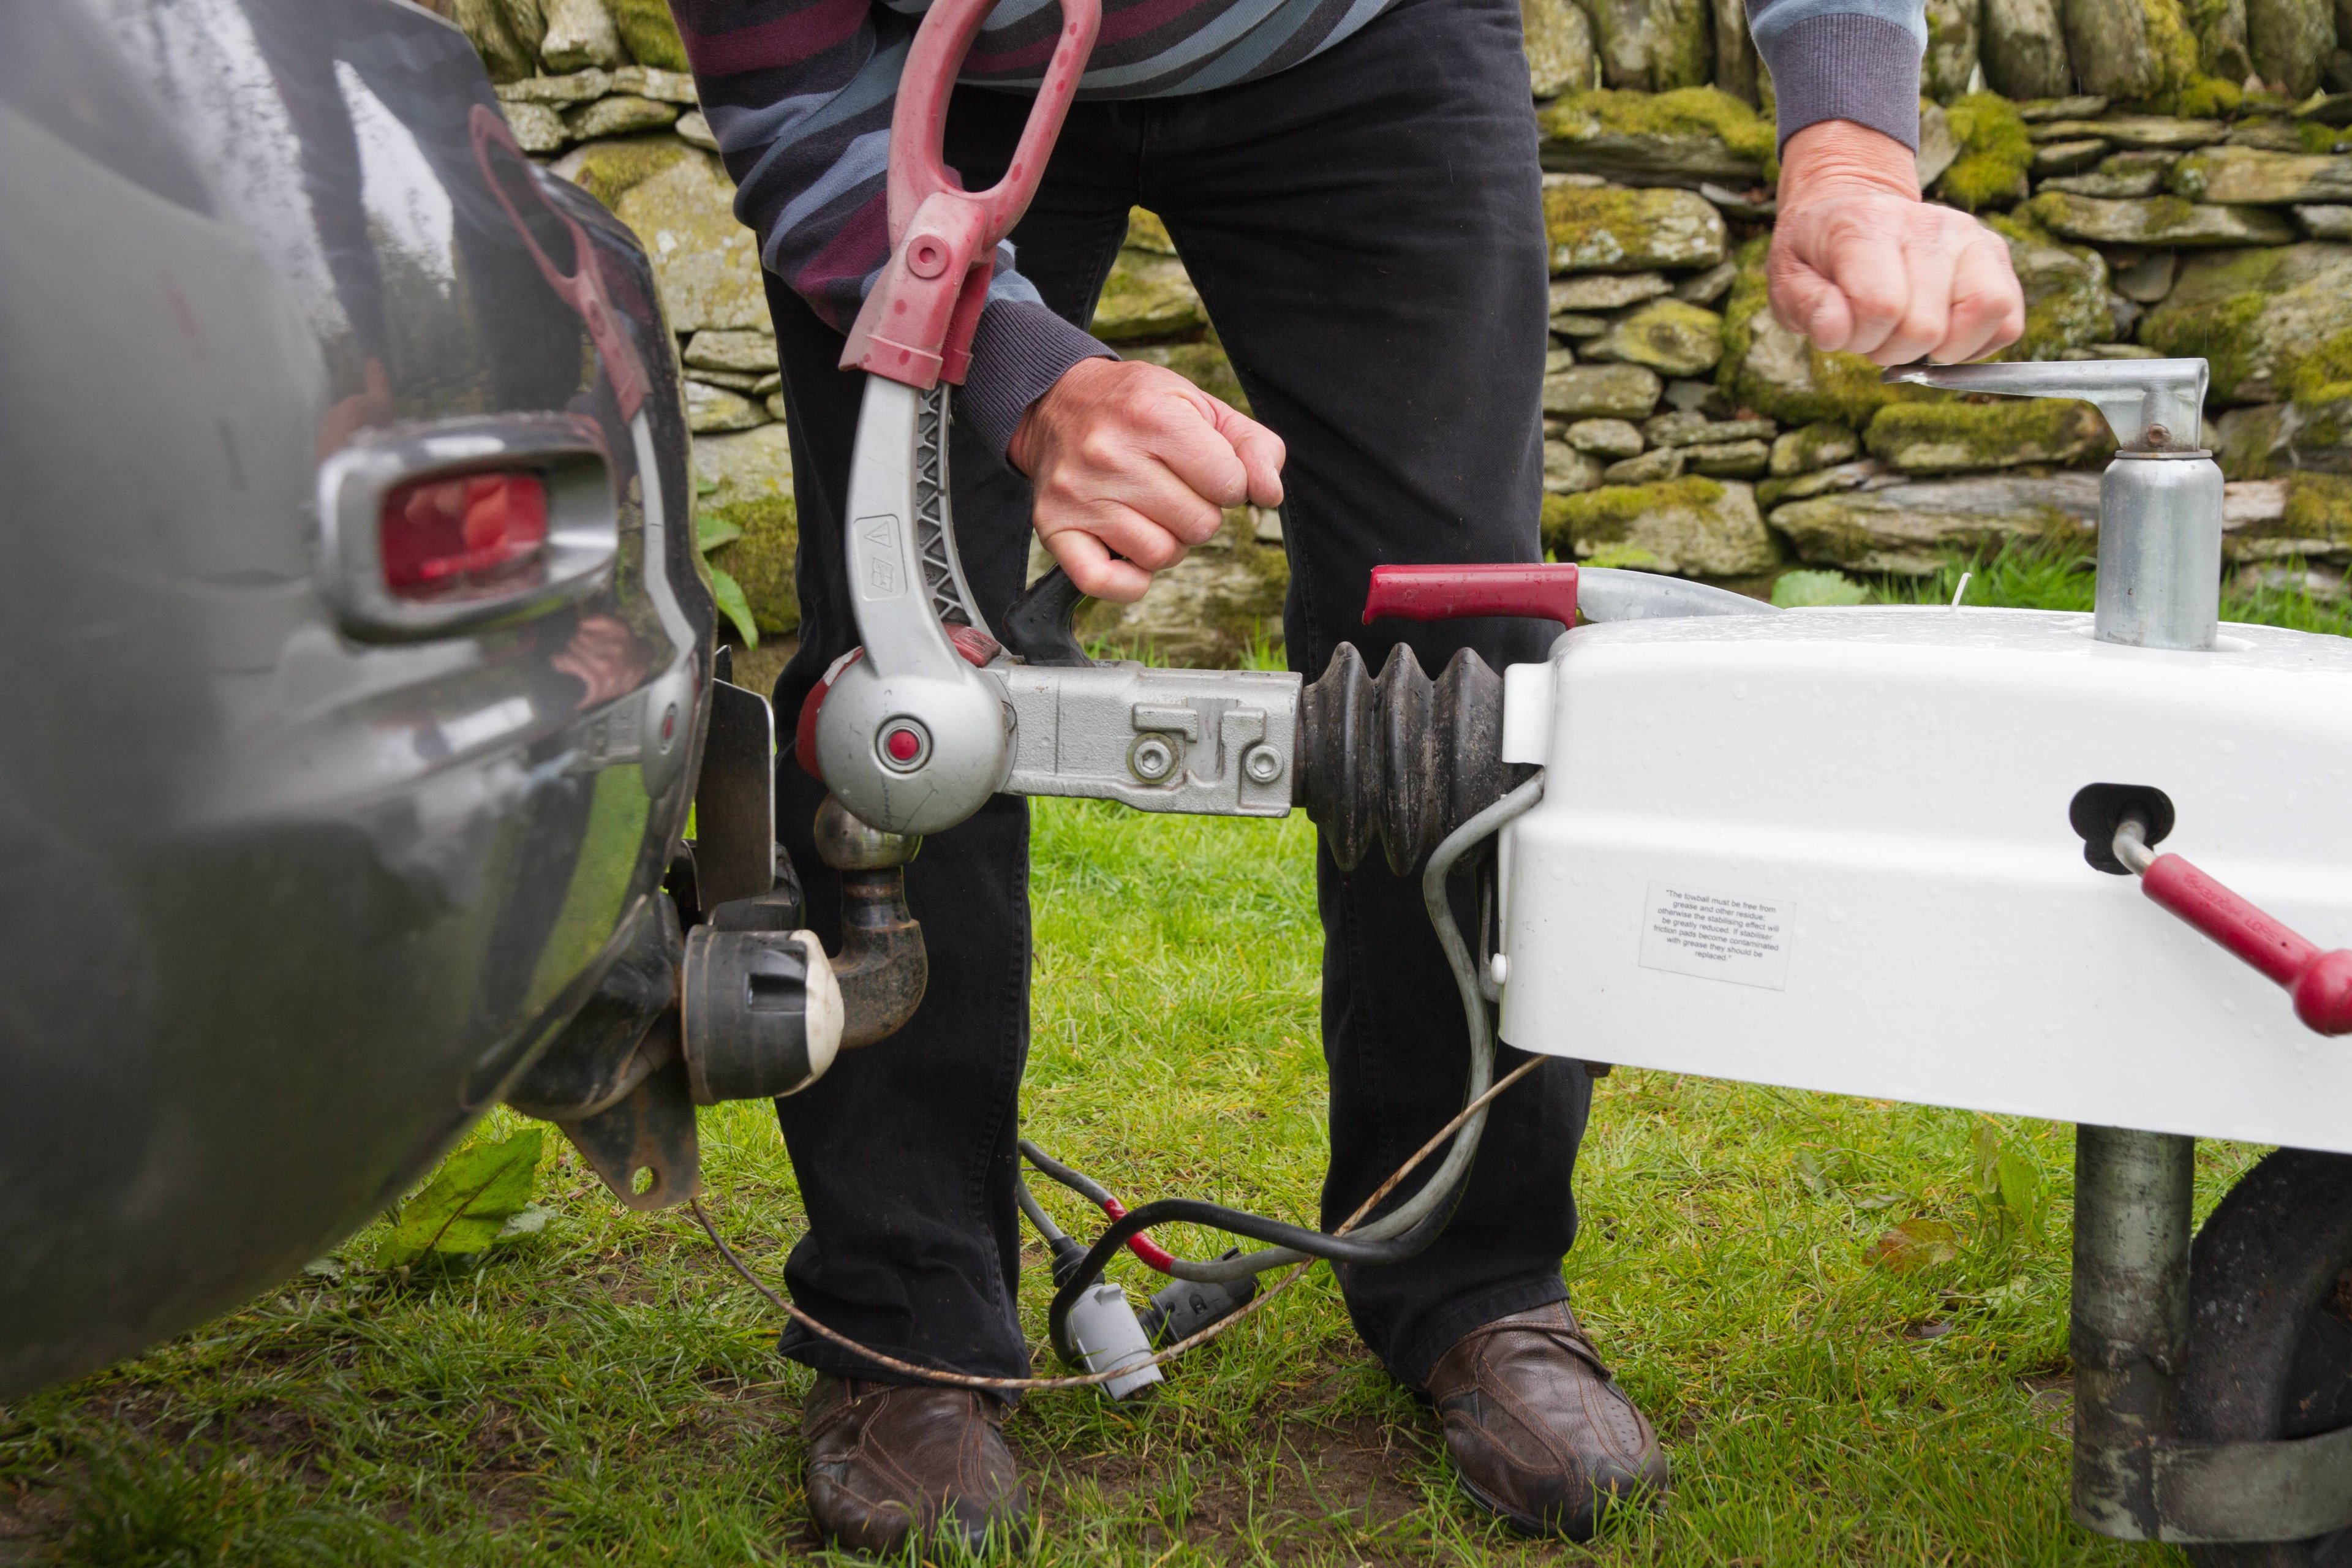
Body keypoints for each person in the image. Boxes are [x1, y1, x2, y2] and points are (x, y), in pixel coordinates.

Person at [662, 0, 2025, 1549]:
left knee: (1469, 663)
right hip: (930, 79)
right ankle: (904, 1320)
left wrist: (1848, 148)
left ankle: (1471, 1275)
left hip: (1363, 45)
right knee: (896, 687)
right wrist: (1027, 375)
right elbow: (787, 92)